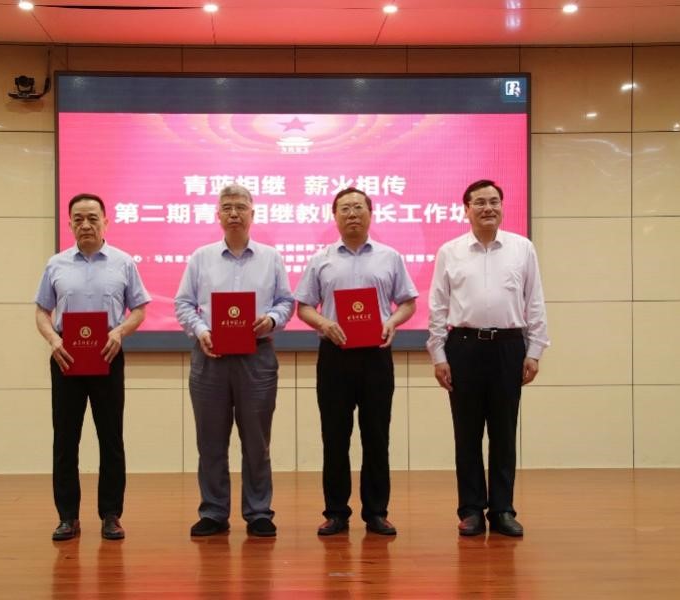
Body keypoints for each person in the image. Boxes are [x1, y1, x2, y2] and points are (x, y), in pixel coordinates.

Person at [426, 179, 549, 537]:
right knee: (466, 433)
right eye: (479, 202)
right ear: (466, 209)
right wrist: (438, 355)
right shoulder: (450, 251)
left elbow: (534, 301)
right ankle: (470, 510)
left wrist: (535, 350)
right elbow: (438, 306)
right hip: (463, 347)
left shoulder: (522, 248)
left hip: (508, 347)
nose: (488, 208)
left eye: (494, 201)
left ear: (502, 206)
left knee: (504, 433)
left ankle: (502, 509)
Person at [295, 187, 418, 537]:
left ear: (370, 213)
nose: (352, 214)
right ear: (334, 216)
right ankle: (336, 512)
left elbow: (408, 302)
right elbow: (303, 306)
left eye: (358, 207)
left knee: (376, 435)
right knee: (335, 436)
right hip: (335, 355)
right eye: (345, 208)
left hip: (376, 354)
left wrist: (392, 322)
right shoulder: (321, 259)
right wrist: (324, 323)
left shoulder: (389, 257)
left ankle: (376, 512)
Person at [175, 183, 294, 538]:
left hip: (257, 357)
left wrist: (271, 319)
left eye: (240, 207)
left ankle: (258, 512)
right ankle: (213, 511)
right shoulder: (201, 257)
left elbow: (286, 302)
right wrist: (201, 330)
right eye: (227, 207)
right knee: (210, 440)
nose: (234, 213)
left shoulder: (271, 257)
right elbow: (183, 303)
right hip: (210, 356)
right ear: (217, 215)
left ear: (252, 214)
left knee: (257, 440)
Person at [35, 193, 150, 541]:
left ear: (105, 222)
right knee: (65, 440)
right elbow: (42, 311)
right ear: (70, 223)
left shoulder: (123, 263)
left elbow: (139, 309)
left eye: (92, 218)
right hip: (66, 359)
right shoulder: (56, 264)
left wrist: (120, 332)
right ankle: (67, 517)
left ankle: (111, 515)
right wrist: (53, 340)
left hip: (107, 358)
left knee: (111, 439)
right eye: (79, 219)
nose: (86, 224)